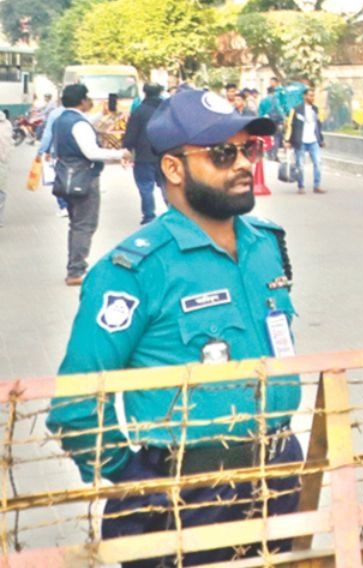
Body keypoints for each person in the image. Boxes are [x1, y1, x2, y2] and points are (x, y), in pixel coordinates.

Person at [47, 89, 296, 568]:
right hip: (187, 493)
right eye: (222, 153)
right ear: (173, 169)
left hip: (279, 473)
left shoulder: (267, 245)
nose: (243, 164)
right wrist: (132, 476)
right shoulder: (133, 271)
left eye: (249, 149)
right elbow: (75, 404)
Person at [50, 84, 132, 284]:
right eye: (87, 98)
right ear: (82, 101)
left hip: (66, 176)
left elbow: (85, 127)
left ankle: (74, 266)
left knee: (76, 224)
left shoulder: (61, 120)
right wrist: (120, 153)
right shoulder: (79, 124)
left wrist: (102, 114)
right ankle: (76, 271)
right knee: (84, 225)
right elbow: (91, 152)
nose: (90, 101)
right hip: (83, 178)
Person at [122, 84, 166, 224]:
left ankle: (149, 215)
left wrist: (128, 148)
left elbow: (131, 133)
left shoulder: (139, 111)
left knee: (145, 187)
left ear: (144, 93)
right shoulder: (166, 110)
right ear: (160, 92)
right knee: (167, 186)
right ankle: (174, 213)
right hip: (164, 155)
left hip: (144, 155)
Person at [288, 95, 325, 194]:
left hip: (313, 141)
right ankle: (301, 186)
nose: (312, 97)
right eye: (310, 95)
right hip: (300, 141)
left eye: (313, 96)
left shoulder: (315, 109)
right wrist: (288, 140)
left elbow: (318, 126)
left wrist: (321, 139)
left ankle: (317, 186)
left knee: (317, 163)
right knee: (299, 164)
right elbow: (291, 125)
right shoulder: (296, 109)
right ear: (305, 96)